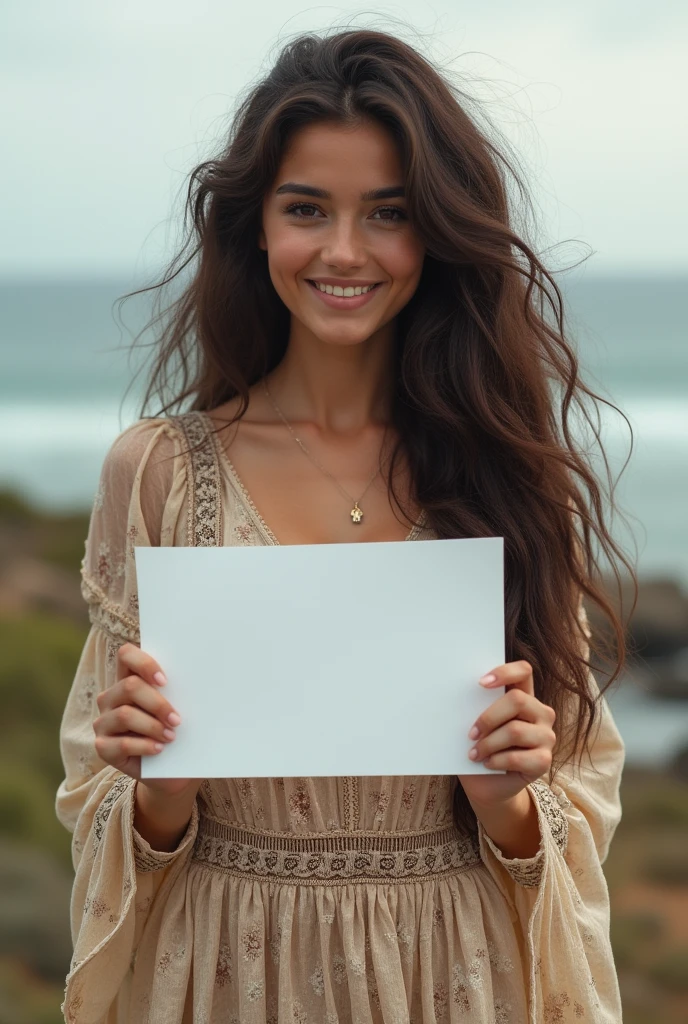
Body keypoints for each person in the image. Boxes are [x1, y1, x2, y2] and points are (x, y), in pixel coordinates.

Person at [56, 28, 632, 1024]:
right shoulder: (154, 471)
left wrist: (509, 801)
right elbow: (95, 806)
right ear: (255, 227)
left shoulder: (508, 473)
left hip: (453, 975)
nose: (343, 251)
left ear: (437, 234)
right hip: (223, 974)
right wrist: (152, 789)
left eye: (389, 213)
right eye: (306, 208)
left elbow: (580, 810)